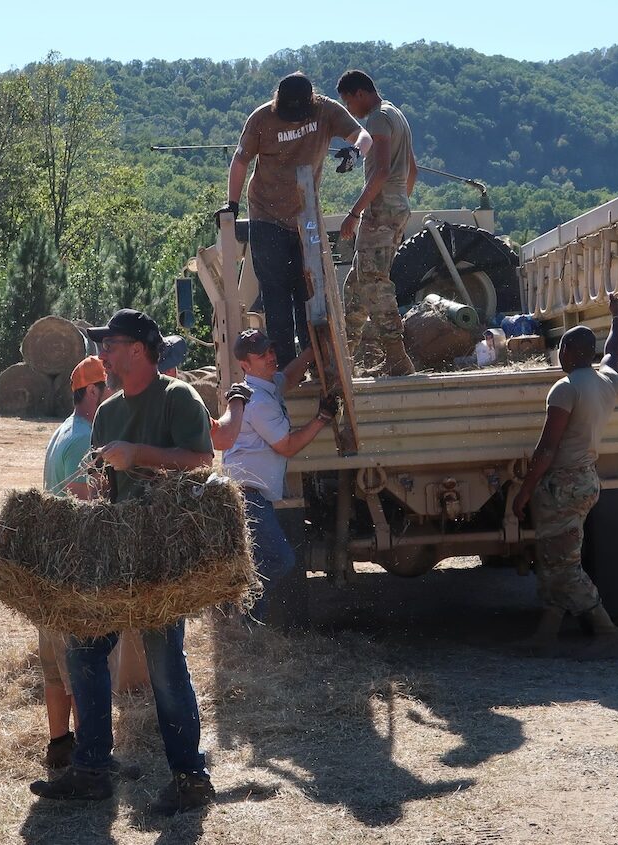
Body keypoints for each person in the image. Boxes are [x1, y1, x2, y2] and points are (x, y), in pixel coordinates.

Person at [30, 308, 217, 816]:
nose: (102, 355)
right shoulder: (108, 412)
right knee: (85, 649)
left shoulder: (179, 399)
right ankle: (92, 767)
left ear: (138, 349)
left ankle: (191, 778)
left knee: (163, 662)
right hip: (117, 549)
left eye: (109, 345)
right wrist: (82, 496)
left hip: (161, 550)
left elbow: (203, 463)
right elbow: (102, 483)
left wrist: (138, 454)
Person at [37, 355, 148, 772]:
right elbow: (88, 502)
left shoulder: (62, 431)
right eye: (106, 389)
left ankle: (59, 745)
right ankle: (88, 753)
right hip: (76, 566)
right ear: (92, 392)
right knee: (83, 666)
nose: (112, 396)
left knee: (54, 668)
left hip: (50, 563)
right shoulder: (86, 438)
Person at [223, 72, 371, 368]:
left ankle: (315, 363)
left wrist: (355, 153)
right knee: (276, 298)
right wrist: (232, 204)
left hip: (307, 220)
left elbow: (363, 137)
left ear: (310, 102)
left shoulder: (326, 110)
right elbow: (241, 160)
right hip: (266, 216)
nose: (292, 120)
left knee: (310, 295)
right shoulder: (261, 119)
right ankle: (286, 368)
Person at [509, 297, 618, 659]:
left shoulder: (564, 389)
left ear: (570, 351)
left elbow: (546, 449)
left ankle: (608, 633)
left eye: (561, 346)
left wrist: (524, 492)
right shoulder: (606, 381)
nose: (558, 352)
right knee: (552, 558)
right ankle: (546, 634)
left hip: (562, 484)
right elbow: (613, 354)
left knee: (564, 565)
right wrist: (617, 320)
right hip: (586, 479)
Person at [220, 331, 335, 621]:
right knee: (279, 560)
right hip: (248, 496)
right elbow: (286, 446)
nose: (271, 356)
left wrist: (311, 351)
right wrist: (321, 418)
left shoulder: (266, 386)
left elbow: (290, 376)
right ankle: (239, 609)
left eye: (271, 350)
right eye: (262, 355)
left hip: (251, 494)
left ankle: (244, 619)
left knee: (262, 561)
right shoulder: (259, 401)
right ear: (245, 364)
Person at [336, 69, 419, 377]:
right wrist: (400, 203)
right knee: (357, 284)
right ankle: (346, 358)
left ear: (360, 93)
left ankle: (397, 358)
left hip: (381, 208)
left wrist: (356, 211)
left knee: (374, 283)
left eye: (348, 102)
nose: (349, 110)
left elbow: (380, 170)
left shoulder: (378, 119)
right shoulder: (397, 115)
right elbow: (413, 170)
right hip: (397, 205)